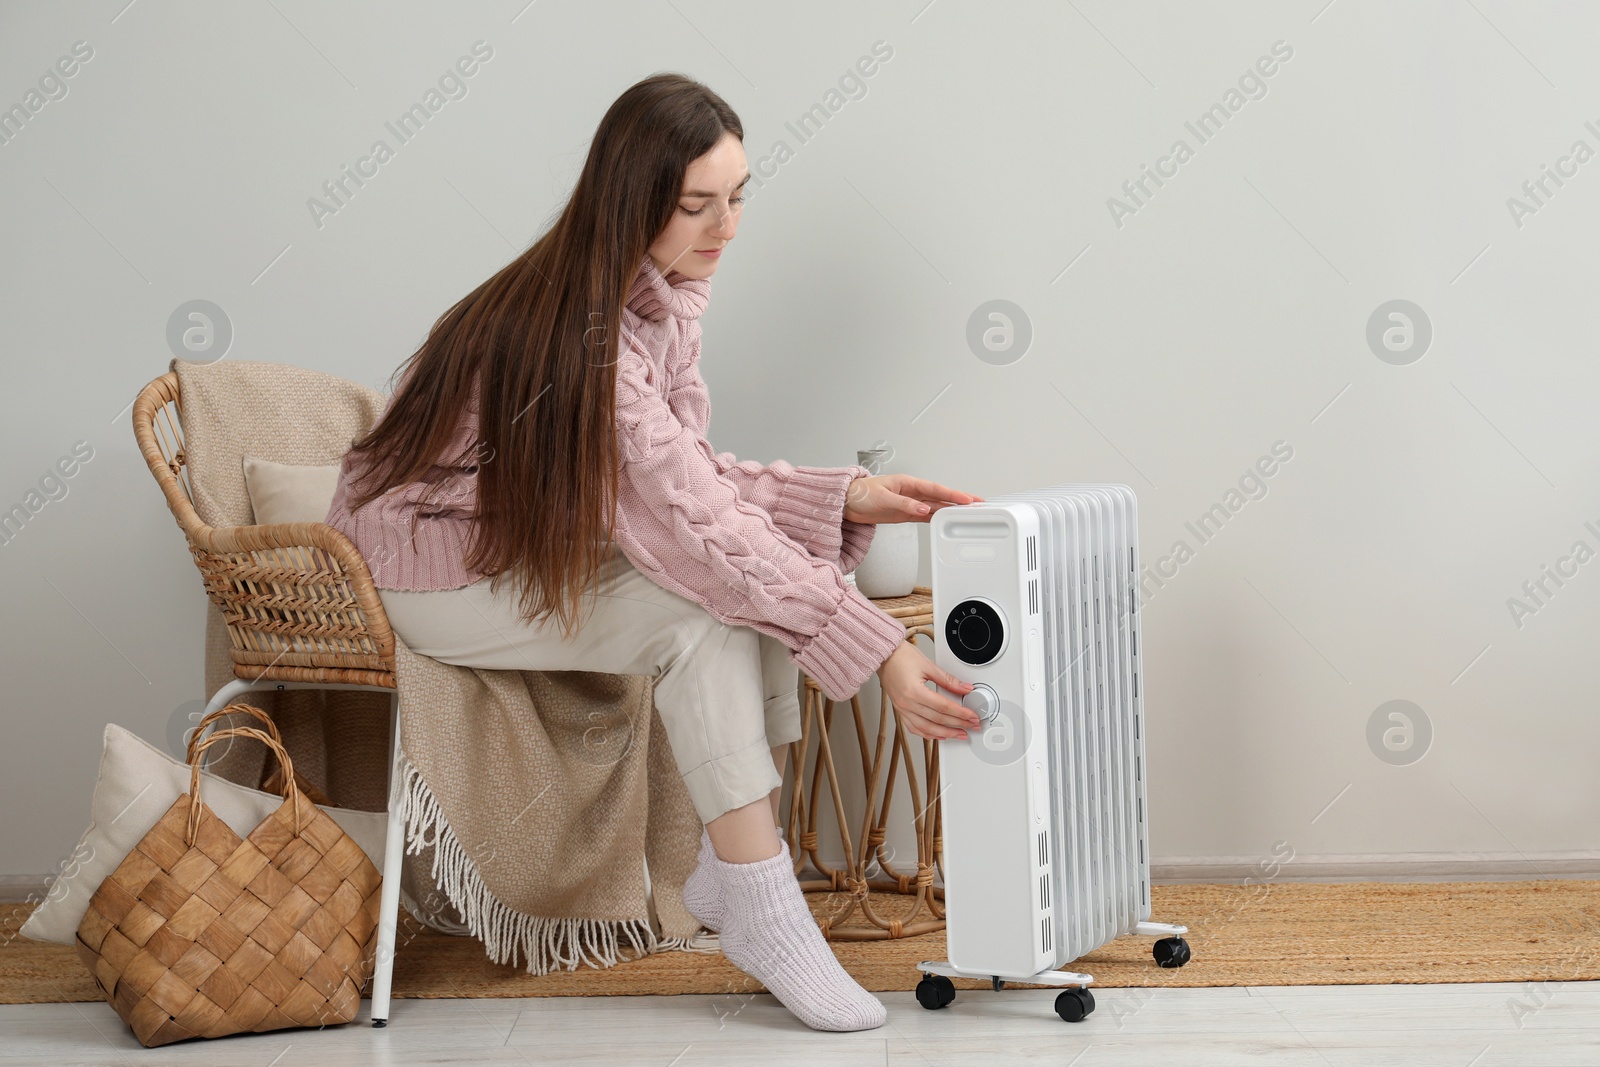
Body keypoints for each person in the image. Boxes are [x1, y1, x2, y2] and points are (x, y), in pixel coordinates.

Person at [324, 72, 985, 1033]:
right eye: (696, 205)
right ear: (634, 201)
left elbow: (683, 480)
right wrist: (878, 645)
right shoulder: (586, 338)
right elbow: (691, 526)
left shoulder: (648, 300)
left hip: (512, 538)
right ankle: (760, 900)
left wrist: (839, 494)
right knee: (700, 603)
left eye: (739, 195)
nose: (726, 227)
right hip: (426, 568)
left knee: (720, 589)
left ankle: (739, 877)